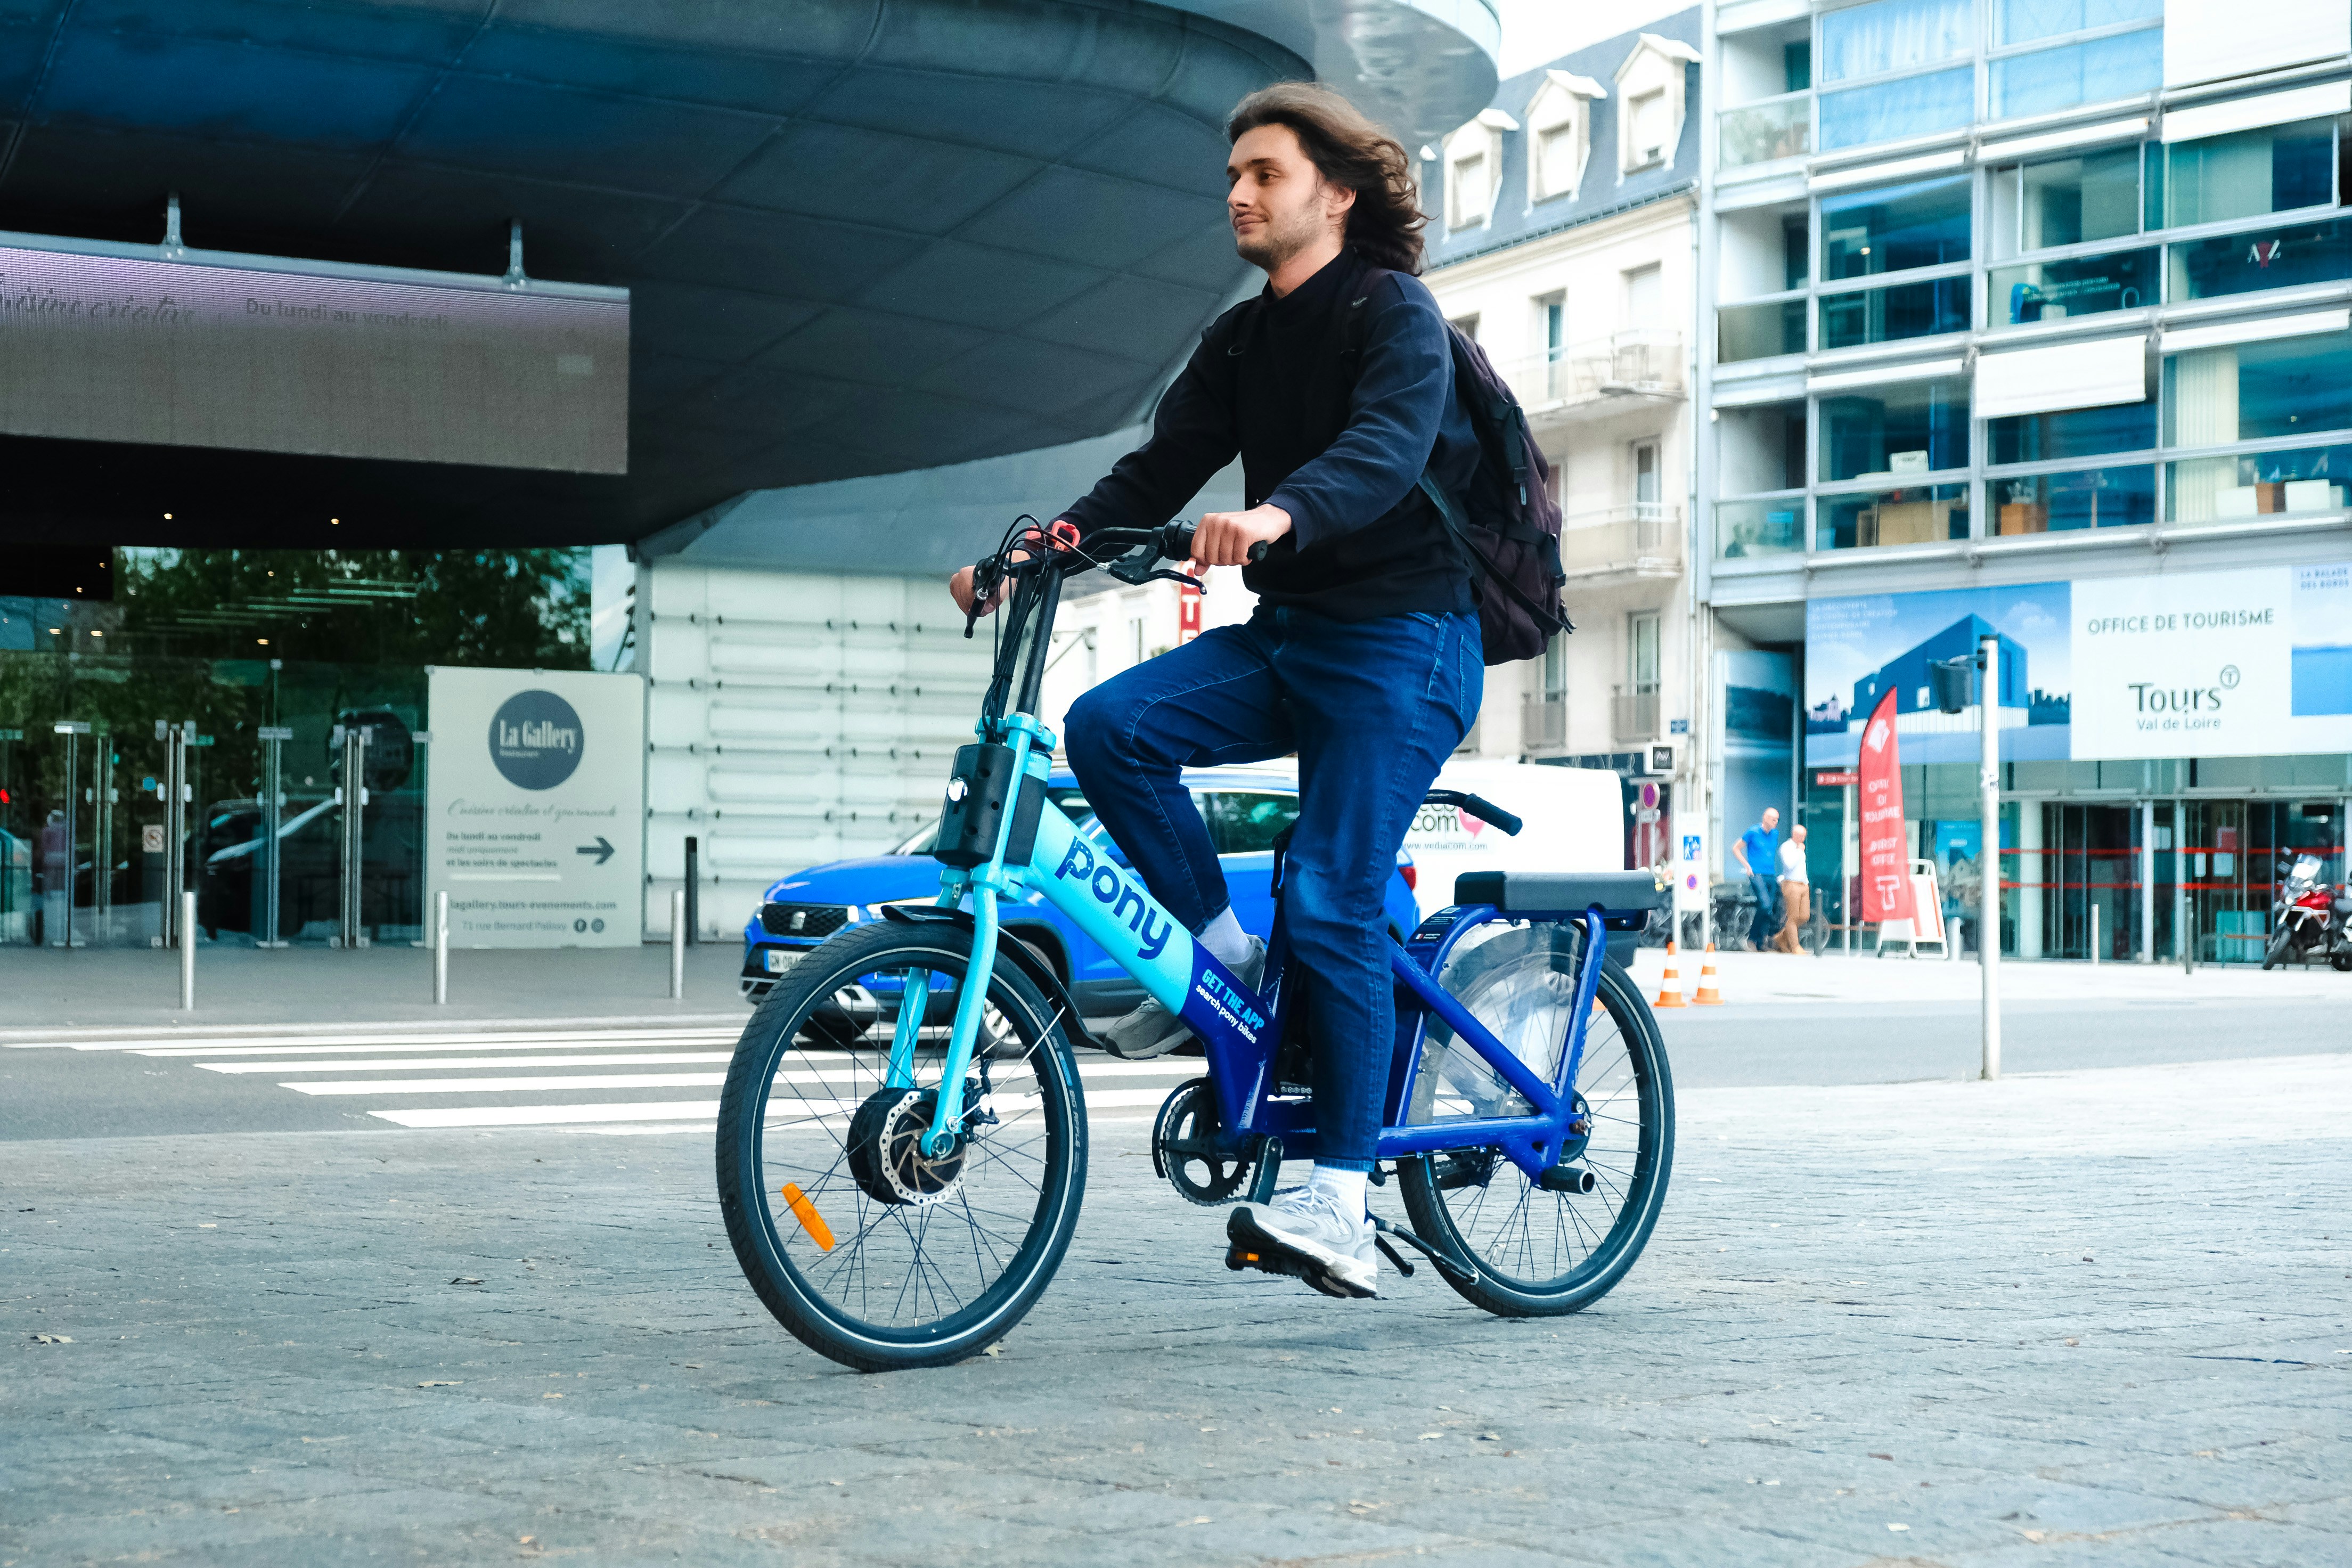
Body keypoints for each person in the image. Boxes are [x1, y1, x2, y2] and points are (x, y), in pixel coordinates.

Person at [949, 81, 1482, 1300]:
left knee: (1336, 894)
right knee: (1108, 725)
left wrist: (1279, 511)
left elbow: (1383, 451)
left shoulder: (1390, 312)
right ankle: (1236, 957)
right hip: (1293, 635)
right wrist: (1032, 553)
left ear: (1334, 194)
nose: (1236, 195)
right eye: (1230, 178)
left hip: (1406, 640)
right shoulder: (1242, 339)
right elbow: (1156, 468)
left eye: (1263, 173)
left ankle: (1340, 1198)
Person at [1732, 806, 1783, 952]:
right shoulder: (1753, 832)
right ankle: (1752, 938)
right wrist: (1747, 866)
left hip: (1770, 874)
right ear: (1765, 818)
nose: (1776, 822)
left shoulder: (1775, 834)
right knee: (1766, 905)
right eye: (1774, 819)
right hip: (1757, 874)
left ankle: (1761, 943)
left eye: (1777, 820)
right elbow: (1736, 848)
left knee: (1770, 909)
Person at [1776, 822, 1810, 954]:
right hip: (1791, 884)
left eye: (1804, 836)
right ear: (1794, 834)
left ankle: (1781, 938)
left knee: (1804, 916)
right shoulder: (1787, 847)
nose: (1803, 838)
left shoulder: (1799, 848)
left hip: (1803, 884)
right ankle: (1795, 946)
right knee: (1793, 916)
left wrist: (1806, 882)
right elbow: (1789, 865)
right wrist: (1799, 851)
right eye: (1801, 835)